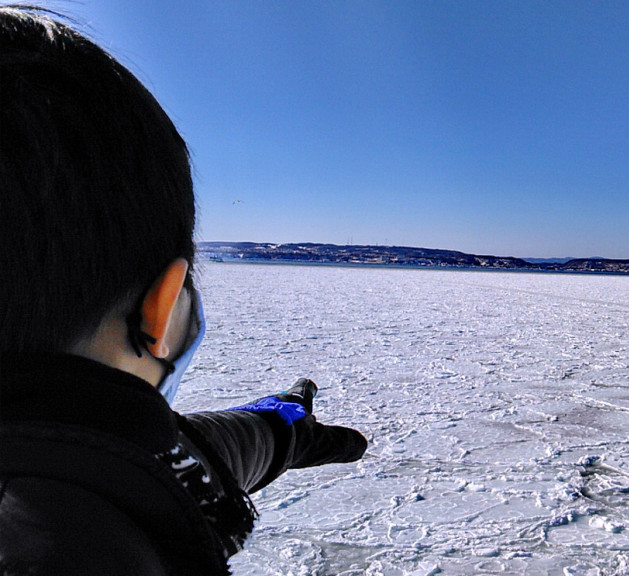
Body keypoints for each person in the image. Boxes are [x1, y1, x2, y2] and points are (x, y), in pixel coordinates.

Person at [0, 6, 367, 575]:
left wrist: (279, 428)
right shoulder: (82, 547)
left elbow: (149, 450)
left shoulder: (83, 461)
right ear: (161, 308)